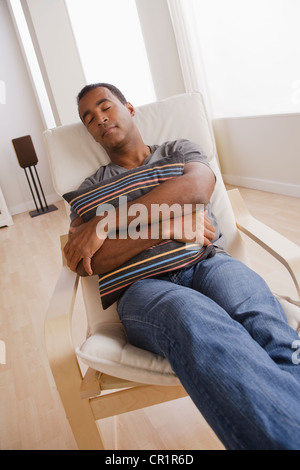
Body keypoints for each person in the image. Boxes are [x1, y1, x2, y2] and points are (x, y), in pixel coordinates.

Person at [64, 83, 300, 450]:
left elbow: (196, 189)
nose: (99, 119)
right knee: (199, 322)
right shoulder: (86, 193)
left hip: (208, 262)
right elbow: (86, 261)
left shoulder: (178, 151)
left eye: (105, 107)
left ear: (129, 107)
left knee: (268, 327)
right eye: (88, 118)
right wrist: (165, 227)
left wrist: (106, 224)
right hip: (143, 291)